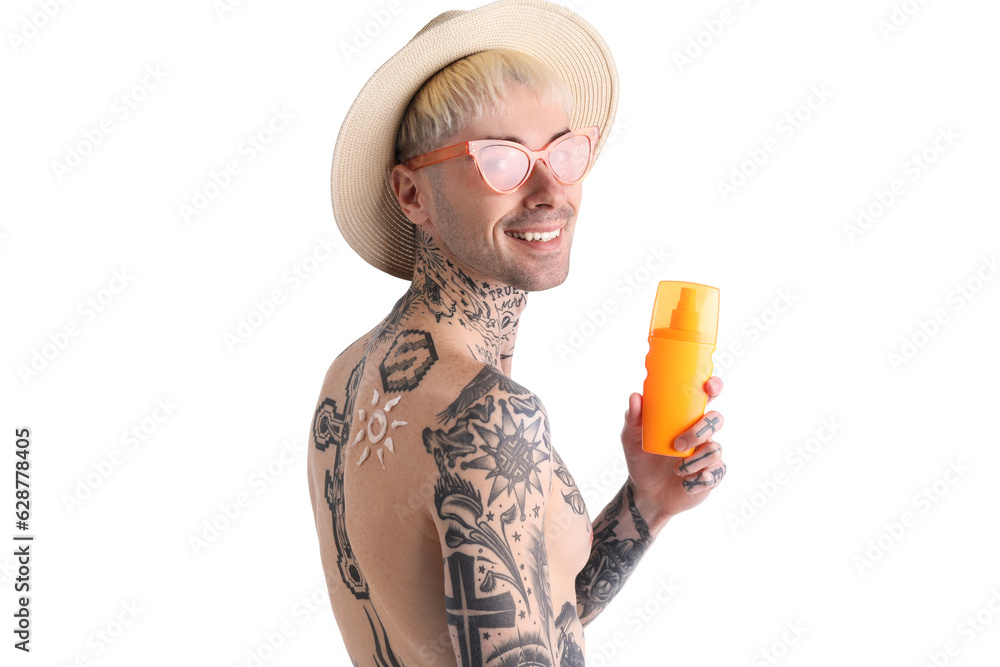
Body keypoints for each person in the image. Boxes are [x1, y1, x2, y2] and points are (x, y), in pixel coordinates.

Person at [307, 2, 727, 665]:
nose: (548, 189)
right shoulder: (494, 420)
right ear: (411, 195)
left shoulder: (347, 376)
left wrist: (646, 504)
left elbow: (525, 618)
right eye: (500, 161)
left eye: (563, 153)